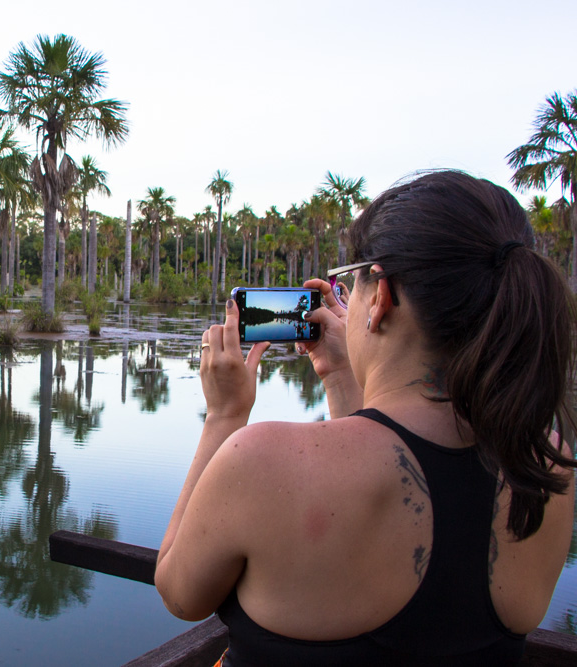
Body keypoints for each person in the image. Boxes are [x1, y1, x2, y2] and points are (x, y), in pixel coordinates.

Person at [154, 171, 576, 666]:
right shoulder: (543, 463)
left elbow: (180, 594)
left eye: (349, 282)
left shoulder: (262, 462)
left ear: (381, 298)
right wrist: (338, 375)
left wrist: (224, 416)